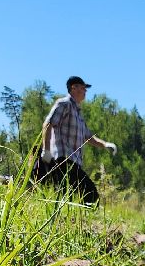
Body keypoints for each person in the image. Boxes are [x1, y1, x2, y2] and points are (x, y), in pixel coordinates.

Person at [38, 75, 116, 203]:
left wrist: (105, 144)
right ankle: (75, 220)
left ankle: (73, 220)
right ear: (74, 88)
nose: (85, 91)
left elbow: (89, 137)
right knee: (90, 194)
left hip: (75, 162)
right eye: (83, 88)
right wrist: (46, 150)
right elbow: (48, 124)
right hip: (63, 159)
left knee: (74, 195)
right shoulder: (64, 104)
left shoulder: (78, 114)